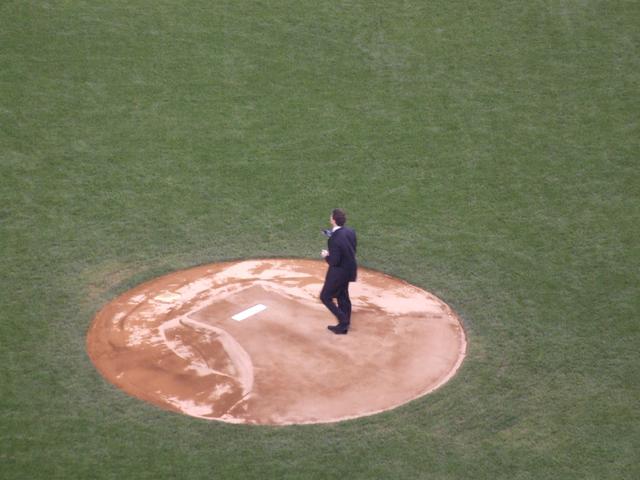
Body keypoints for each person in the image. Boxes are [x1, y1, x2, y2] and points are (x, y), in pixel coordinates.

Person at [320, 208, 357, 334]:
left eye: (331, 216)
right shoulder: (350, 231)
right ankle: (344, 326)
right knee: (342, 295)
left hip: (338, 273)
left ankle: (343, 321)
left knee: (325, 297)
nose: (330, 218)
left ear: (334, 220)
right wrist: (332, 235)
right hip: (350, 269)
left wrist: (326, 255)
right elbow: (346, 244)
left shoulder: (334, 240)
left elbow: (334, 261)